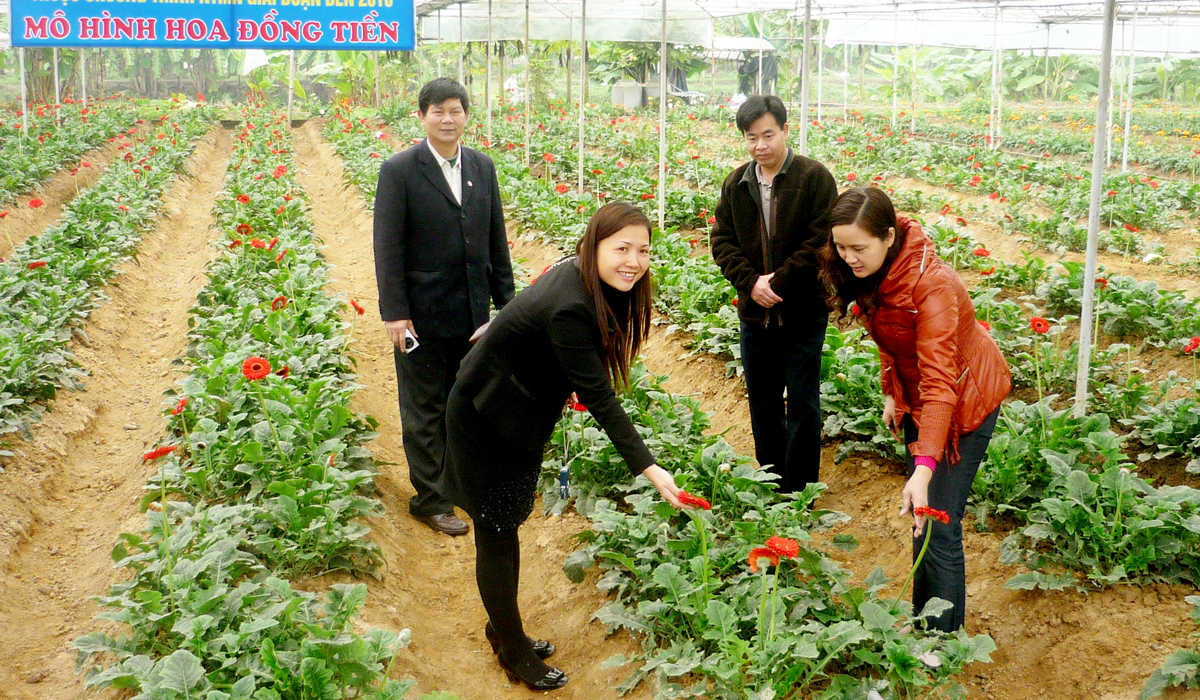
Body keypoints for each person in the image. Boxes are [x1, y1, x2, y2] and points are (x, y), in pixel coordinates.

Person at [441, 202, 685, 691]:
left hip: (515, 409)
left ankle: (502, 626)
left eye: (642, 250)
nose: (633, 261)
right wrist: (650, 468)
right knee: (497, 532)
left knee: (506, 523)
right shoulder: (572, 303)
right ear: (593, 246)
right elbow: (598, 395)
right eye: (621, 249)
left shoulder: (580, 275)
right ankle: (510, 646)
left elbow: (535, 313)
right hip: (486, 418)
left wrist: (507, 326)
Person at [818, 187, 1011, 632]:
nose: (848, 257)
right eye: (841, 247)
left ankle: (943, 643)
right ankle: (926, 623)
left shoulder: (932, 285)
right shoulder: (878, 270)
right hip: (920, 401)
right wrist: (891, 390)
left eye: (858, 248)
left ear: (888, 236)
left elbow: (941, 385)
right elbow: (889, 338)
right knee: (922, 521)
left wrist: (923, 468)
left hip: (964, 401)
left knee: (939, 524)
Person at [373, 77, 516, 537]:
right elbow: (387, 248)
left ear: (466, 116)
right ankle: (430, 499)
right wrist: (396, 313)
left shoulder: (481, 166)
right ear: (422, 117)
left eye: (455, 110)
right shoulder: (400, 170)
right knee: (425, 408)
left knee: (469, 403)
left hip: (473, 314)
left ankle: (463, 485)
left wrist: (507, 308)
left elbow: (496, 242)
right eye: (438, 111)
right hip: (423, 316)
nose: (448, 119)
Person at [710, 94, 838, 495]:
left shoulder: (814, 178)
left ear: (785, 130)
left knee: (802, 402)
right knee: (763, 402)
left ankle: (799, 492)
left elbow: (820, 241)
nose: (760, 145)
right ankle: (771, 482)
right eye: (751, 138)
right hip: (755, 317)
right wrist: (751, 284)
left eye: (768, 135)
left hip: (802, 313)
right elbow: (722, 241)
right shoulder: (736, 183)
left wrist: (775, 284)